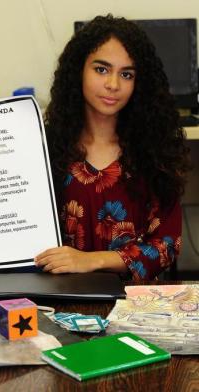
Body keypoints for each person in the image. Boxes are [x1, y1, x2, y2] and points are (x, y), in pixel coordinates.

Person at [34, 14, 191, 281]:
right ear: (78, 71)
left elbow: (167, 245)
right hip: (57, 298)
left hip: (134, 304)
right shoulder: (45, 144)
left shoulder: (154, 148)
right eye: (101, 69)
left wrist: (92, 261)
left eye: (126, 74)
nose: (113, 85)